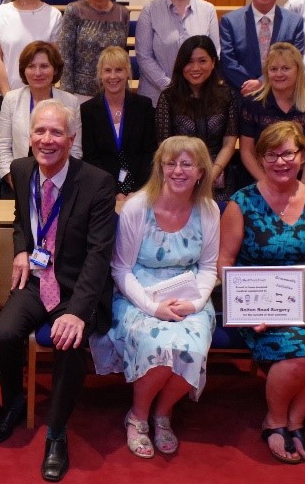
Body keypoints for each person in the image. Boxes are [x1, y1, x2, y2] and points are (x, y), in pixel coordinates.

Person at [0, 101, 117, 482]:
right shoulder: (21, 169)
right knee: (2, 335)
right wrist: (24, 248)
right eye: (40, 132)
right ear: (30, 137)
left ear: (71, 139)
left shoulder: (97, 182)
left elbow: (98, 255)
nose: (47, 140)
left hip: (76, 286)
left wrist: (78, 311)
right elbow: (20, 218)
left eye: (56, 132)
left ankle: (56, 432)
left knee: (70, 344)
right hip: (37, 278)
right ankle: (12, 402)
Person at [217, 121, 305, 465]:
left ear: (302, 155)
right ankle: (274, 420)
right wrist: (247, 308)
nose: (281, 161)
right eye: (272, 154)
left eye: (288, 153)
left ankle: (296, 420)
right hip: (257, 301)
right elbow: (225, 261)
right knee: (301, 354)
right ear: (260, 158)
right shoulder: (241, 202)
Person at [91, 136, 220, 459]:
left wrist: (195, 304)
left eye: (187, 164)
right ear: (160, 168)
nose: (178, 171)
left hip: (190, 297)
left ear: (201, 172)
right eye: (170, 163)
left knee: (190, 348)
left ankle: (162, 413)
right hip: (139, 294)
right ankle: (138, 415)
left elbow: (208, 268)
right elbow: (120, 269)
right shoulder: (138, 206)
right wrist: (152, 307)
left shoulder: (208, 209)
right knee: (159, 346)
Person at [155, 35, 241, 203]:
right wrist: (188, 173)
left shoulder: (227, 95)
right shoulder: (168, 97)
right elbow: (164, 146)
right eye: (189, 61)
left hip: (219, 174)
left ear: (213, 62)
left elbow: (229, 144)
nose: (195, 67)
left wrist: (211, 173)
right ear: (181, 65)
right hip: (180, 174)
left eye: (202, 61)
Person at [0, 41, 82, 194]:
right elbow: (4, 148)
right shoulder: (11, 99)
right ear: (24, 70)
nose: (37, 73)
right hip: (17, 182)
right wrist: (14, 180)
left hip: (60, 183)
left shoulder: (70, 102)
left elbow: (74, 150)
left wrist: (57, 183)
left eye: (44, 66)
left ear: (55, 70)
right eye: (31, 66)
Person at [136, 0, 220, 103]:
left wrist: (194, 86)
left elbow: (215, 53)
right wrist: (171, 88)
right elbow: (144, 57)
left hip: (197, 97)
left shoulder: (208, 10)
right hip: (157, 98)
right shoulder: (150, 11)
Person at [239, 42, 305, 188]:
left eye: (285, 68)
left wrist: (304, 189)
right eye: (273, 69)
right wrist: (267, 184)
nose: (278, 74)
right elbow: (247, 152)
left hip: (302, 180)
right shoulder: (252, 103)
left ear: (298, 70)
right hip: (260, 181)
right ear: (267, 73)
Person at [220, 0, 304, 97]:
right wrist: (251, 87)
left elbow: (296, 63)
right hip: (241, 98)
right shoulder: (229, 21)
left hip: (280, 98)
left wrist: (262, 83)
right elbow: (227, 63)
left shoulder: (294, 22)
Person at [81, 46, 157, 198]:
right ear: (100, 74)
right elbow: (91, 158)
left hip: (141, 188)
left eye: (119, 70)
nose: (113, 76)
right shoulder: (88, 110)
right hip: (102, 190)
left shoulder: (144, 106)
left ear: (128, 72)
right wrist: (114, 191)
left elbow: (149, 152)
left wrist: (137, 191)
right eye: (108, 70)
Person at [57, 0, 129, 98]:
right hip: (80, 94)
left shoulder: (122, 13)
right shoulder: (74, 10)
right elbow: (65, 55)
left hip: (113, 91)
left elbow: (121, 56)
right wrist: (67, 95)